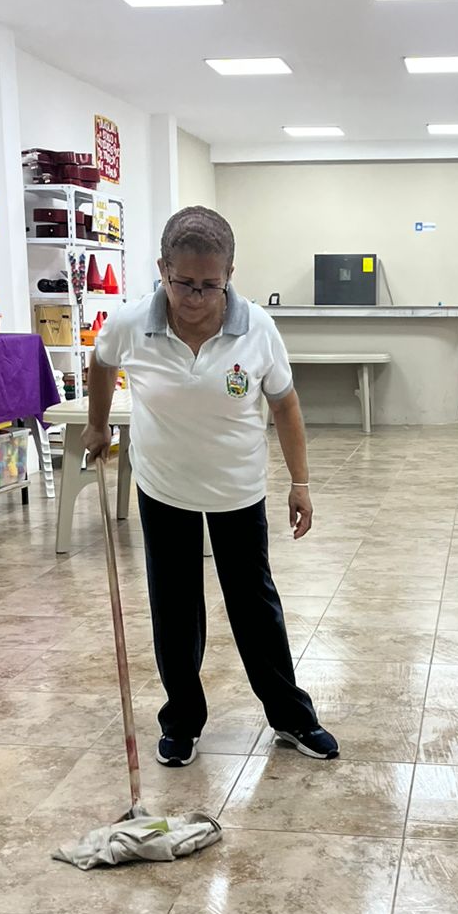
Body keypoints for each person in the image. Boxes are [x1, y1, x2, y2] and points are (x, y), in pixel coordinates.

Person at [84, 205, 338, 766]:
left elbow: (285, 404)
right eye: (183, 283)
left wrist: (300, 482)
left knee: (254, 607)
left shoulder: (257, 328)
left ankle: (291, 716)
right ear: (162, 269)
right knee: (174, 608)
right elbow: (101, 363)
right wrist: (99, 425)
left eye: (209, 285)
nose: (195, 297)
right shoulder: (131, 323)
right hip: (164, 488)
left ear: (229, 275)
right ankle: (181, 720)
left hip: (236, 491)